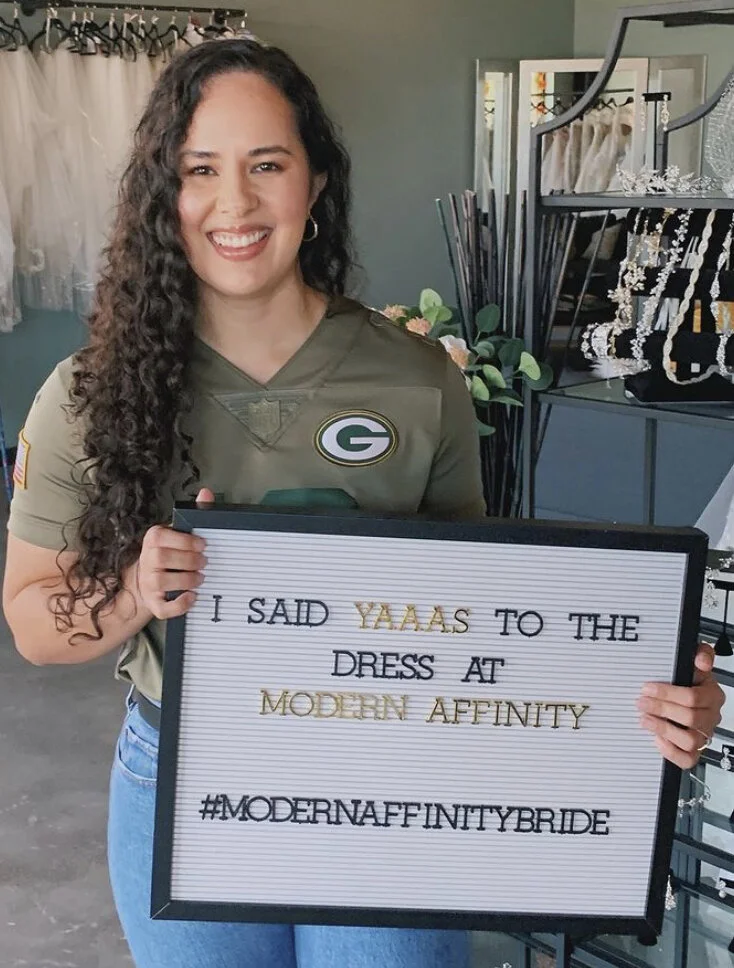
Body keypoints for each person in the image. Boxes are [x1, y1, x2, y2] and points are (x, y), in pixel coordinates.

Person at [1, 38, 725, 968]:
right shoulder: (86, 394)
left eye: (268, 165)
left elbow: (487, 620)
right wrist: (137, 592)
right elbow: (34, 623)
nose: (235, 203)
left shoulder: (418, 380)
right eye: (200, 170)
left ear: (315, 183)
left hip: (391, 782)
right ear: (161, 194)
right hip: (180, 779)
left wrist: (645, 689)